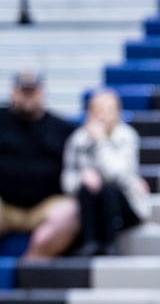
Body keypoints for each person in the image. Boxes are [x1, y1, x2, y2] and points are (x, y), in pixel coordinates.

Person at [0, 73, 79, 261]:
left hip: (45, 206)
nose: (27, 96)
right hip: (1, 206)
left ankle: (31, 266)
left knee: (73, 210)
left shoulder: (61, 127)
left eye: (32, 91)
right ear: (13, 92)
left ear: (42, 92)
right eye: (23, 91)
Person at [61, 88, 152, 257]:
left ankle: (111, 243)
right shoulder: (77, 139)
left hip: (125, 203)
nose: (103, 116)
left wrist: (101, 142)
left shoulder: (127, 136)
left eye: (109, 110)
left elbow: (119, 175)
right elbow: (67, 182)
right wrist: (82, 179)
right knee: (89, 186)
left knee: (108, 187)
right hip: (89, 204)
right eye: (98, 111)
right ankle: (90, 242)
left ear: (118, 112)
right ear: (89, 113)